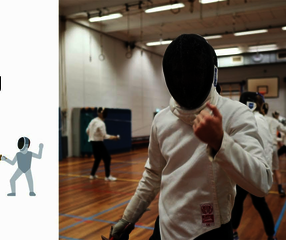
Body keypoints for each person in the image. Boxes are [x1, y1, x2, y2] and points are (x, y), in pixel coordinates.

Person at [109, 34, 272, 240]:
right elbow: (153, 176)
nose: (185, 80)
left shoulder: (234, 114)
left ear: (210, 73)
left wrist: (220, 142)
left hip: (210, 231)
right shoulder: (162, 120)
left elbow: (262, 184)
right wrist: (128, 218)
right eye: (178, 73)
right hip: (166, 227)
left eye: (193, 72)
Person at [231, 92, 276, 240]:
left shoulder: (254, 119)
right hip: (253, 170)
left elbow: (263, 148)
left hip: (251, 170)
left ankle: (234, 232)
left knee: (240, 202)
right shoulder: (257, 118)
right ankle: (271, 235)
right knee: (251, 203)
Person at [86, 107, 119, 181]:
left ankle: (92, 174)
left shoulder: (93, 120)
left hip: (92, 142)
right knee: (107, 158)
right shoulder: (101, 123)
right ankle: (107, 176)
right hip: (98, 143)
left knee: (97, 158)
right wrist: (114, 137)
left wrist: (92, 137)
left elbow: (87, 131)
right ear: (101, 114)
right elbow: (104, 136)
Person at [264, 108, 286, 197]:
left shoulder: (260, 119)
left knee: (262, 168)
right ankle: (280, 189)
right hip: (273, 147)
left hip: (265, 147)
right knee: (276, 169)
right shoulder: (274, 121)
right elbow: (284, 129)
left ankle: (259, 188)